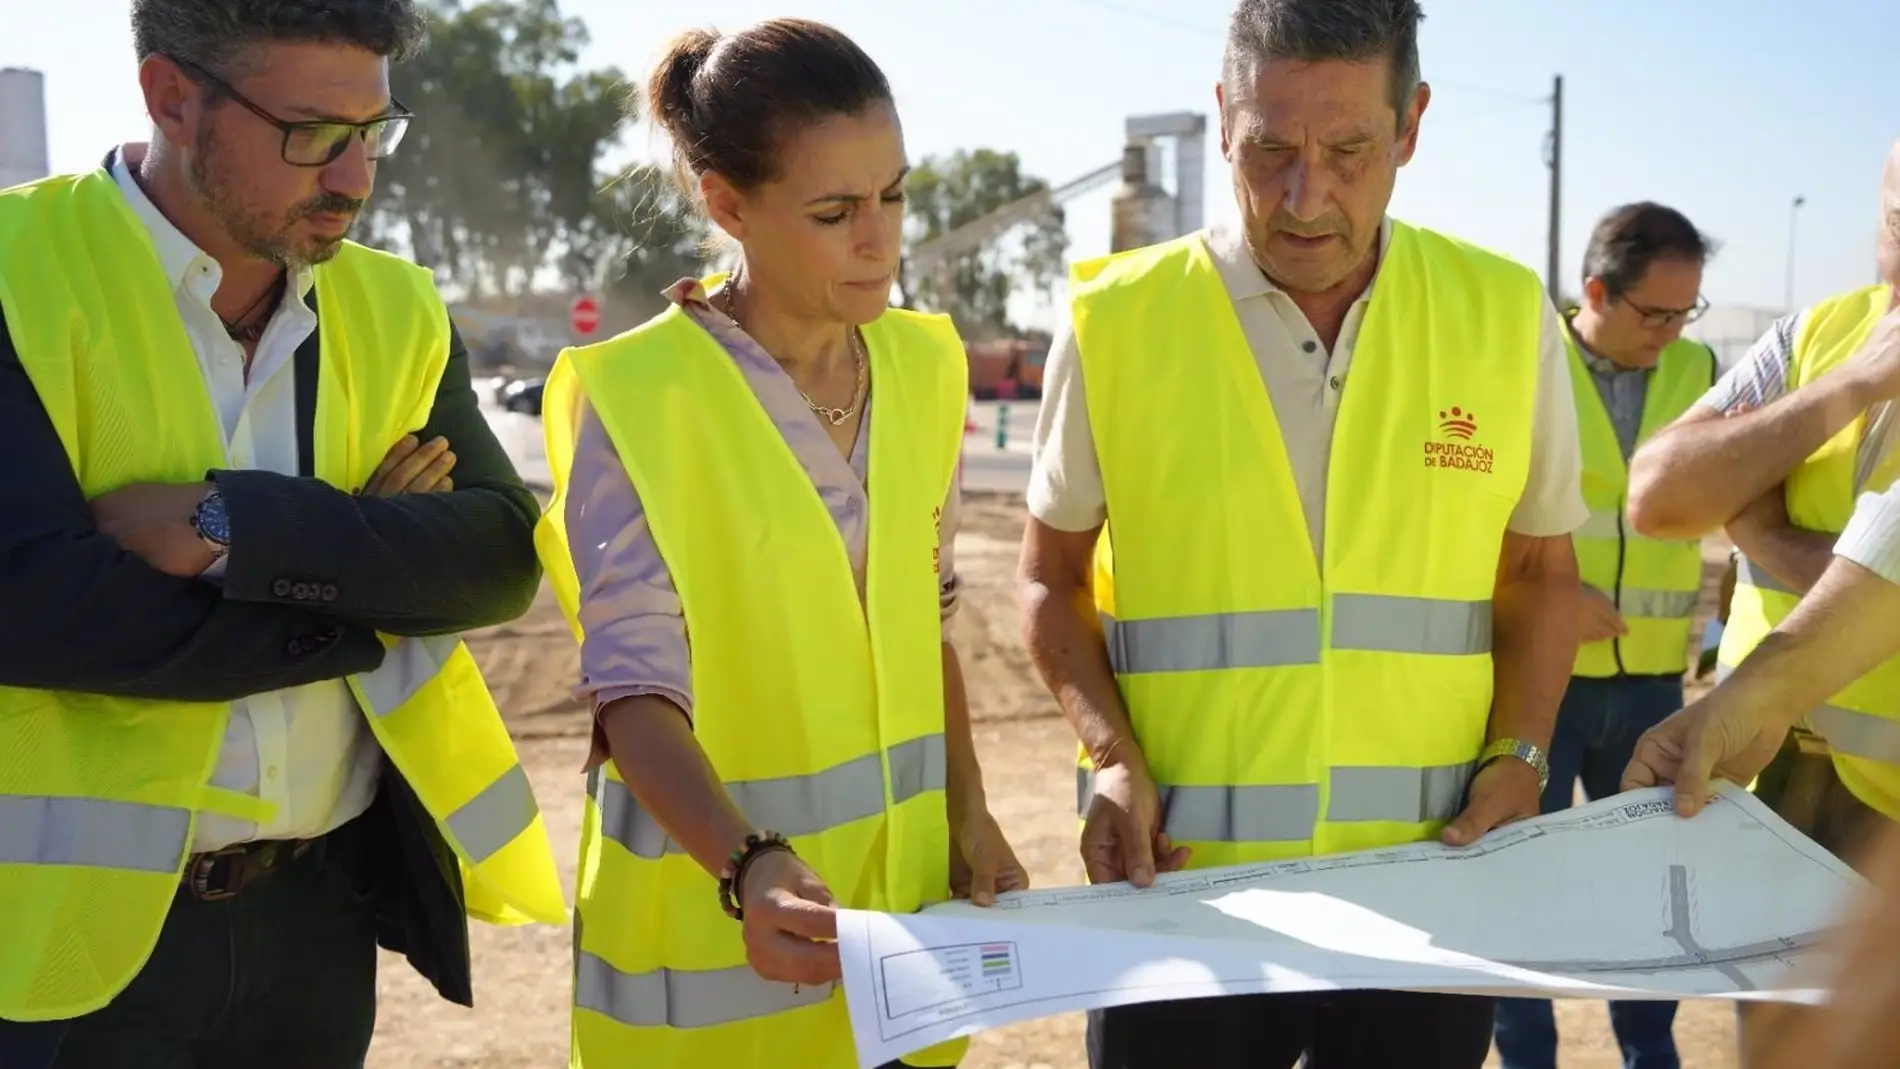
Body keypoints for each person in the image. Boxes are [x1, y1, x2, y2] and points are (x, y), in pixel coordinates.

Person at [1015, 1, 1586, 1066]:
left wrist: (1520, 753)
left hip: (1422, 904)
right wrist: (1108, 756)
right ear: (1221, 118)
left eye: (1350, 150)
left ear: (1410, 127)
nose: (1304, 195)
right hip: (1183, 902)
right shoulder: (1116, 318)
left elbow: (1542, 573)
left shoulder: (1503, 316)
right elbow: (1046, 575)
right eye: (1269, 147)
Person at [0, 2, 569, 1066]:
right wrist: (360, 585)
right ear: (173, 98)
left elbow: (493, 555)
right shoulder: (12, 271)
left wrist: (232, 528)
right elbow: (36, 606)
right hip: (51, 950)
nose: (353, 177)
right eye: (311, 133)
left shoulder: (397, 306)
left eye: (372, 131)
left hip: (316, 923)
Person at [532, 18, 1029, 1069]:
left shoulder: (928, 369)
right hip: (714, 986)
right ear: (727, 205)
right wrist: (747, 863)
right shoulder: (638, 399)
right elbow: (633, 697)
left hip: (897, 962)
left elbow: (923, 621)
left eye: (894, 195)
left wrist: (968, 810)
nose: (879, 239)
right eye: (834, 211)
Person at [1623, 138, 1900, 870]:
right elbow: (1658, 495)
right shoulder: (1819, 336)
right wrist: (1853, 384)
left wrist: (1768, 534)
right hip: (1757, 780)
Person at [1491, 202, 1718, 1069]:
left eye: (1685, 311)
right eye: (1655, 312)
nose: (1672, 333)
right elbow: (1459, 509)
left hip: (1657, 688)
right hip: (1544, 687)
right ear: (1596, 291)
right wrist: (1549, 598)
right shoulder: (1521, 357)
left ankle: (1650, 1057)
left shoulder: (1699, 364)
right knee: (1524, 889)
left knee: (1650, 900)